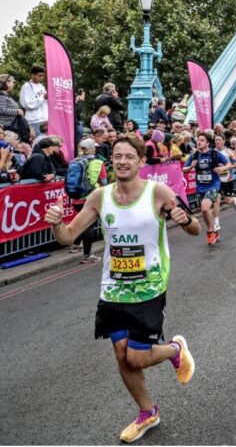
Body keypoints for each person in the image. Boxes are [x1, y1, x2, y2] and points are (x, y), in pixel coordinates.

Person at [44, 135, 200, 443]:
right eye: (117, 156)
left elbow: (194, 228)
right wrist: (56, 223)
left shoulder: (158, 192)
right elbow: (68, 236)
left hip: (149, 288)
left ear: (142, 161)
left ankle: (175, 350)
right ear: (110, 160)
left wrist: (185, 219)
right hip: (113, 290)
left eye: (130, 156)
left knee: (136, 358)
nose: (123, 161)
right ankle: (148, 412)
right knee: (121, 354)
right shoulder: (100, 197)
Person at [182, 131, 230, 246]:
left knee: (204, 208)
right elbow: (184, 170)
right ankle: (213, 230)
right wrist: (191, 166)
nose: (199, 142)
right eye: (198, 140)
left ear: (208, 143)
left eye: (202, 140)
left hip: (214, 185)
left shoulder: (214, 153)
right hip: (201, 187)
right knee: (205, 210)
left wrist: (222, 168)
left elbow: (228, 163)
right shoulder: (194, 155)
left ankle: (210, 232)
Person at [19, 65, 48, 136]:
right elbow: (26, 104)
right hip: (34, 121)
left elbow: (44, 103)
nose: (42, 78)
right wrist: (43, 97)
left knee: (46, 144)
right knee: (38, 143)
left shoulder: (41, 86)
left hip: (45, 120)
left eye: (43, 76)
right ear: (33, 75)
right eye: (39, 76)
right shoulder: (26, 86)